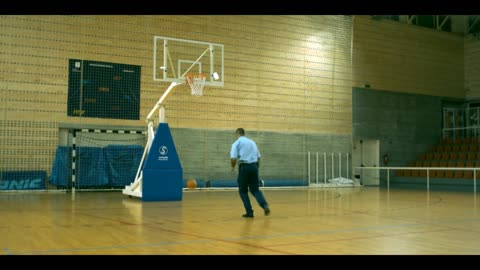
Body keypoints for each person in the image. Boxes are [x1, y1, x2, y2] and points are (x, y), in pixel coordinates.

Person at [230, 128, 270, 218]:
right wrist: (256, 167)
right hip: (254, 167)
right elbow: (259, 157)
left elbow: (233, 158)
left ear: (237, 134)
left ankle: (249, 212)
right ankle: (264, 205)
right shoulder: (252, 142)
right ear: (244, 134)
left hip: (244, 167)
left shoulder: (237, 143)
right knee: (255, 189)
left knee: (243, 191)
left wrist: (233, 167)